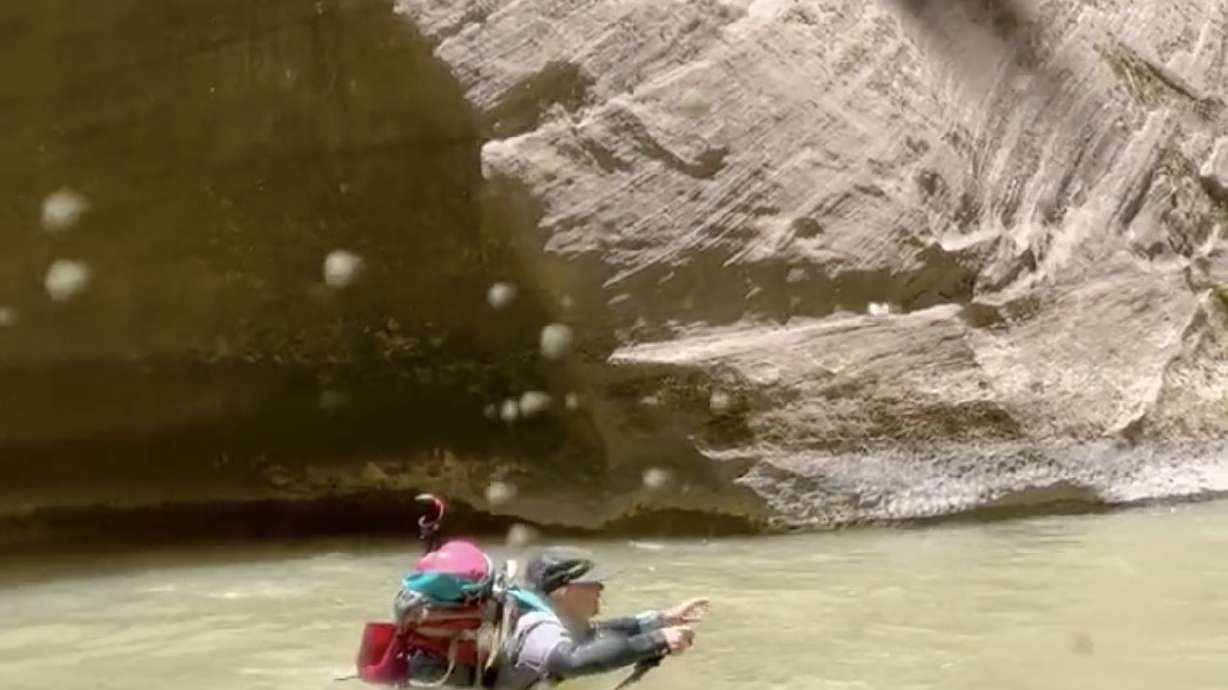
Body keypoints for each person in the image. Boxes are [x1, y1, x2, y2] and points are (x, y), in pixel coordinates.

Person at [493, 547, 710, 690]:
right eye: (590, 582)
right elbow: (573, 661)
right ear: (561, 591)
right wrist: (657, 639)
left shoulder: (552, 618)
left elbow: (596, 634)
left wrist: (663, 619)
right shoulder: (537, 627)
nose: (600, 587)